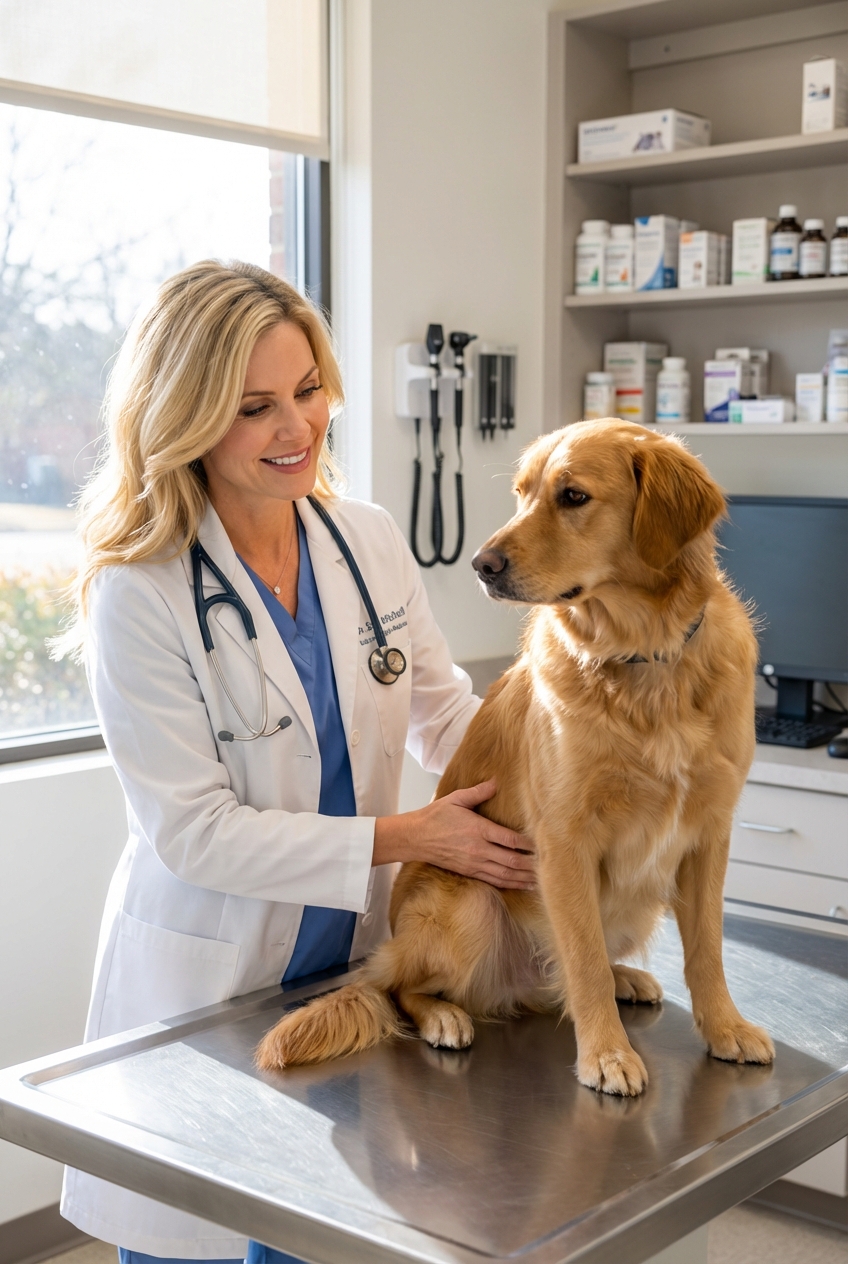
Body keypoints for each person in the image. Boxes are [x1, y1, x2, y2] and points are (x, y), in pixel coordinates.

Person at [57, 260, 535, 1264]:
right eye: (255, 407)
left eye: (309, 390)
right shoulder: (138, 587)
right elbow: (191, 831)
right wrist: (414, 836)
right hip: (205, 974)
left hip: (345, 968)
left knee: (317, 1235)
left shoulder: (362, 539)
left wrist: (556, 771)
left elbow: (443, 711)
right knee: (187, 1240)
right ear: (183, 412)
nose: (299, 428)